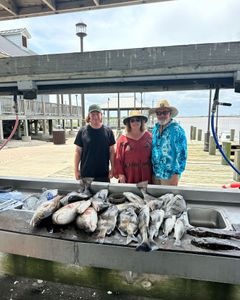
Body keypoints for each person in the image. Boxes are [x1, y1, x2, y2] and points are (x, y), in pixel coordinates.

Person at [149, 99, 187, 186]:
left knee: (168, 199)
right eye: (159, 113)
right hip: (156, 173)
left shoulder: (177, 130)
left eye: (165, 112)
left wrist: (176, 174)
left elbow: (182, 154)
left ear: (170, 113)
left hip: (170, 176)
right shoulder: (155, 129)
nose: (161, 115)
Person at [74, 104, 115, 182]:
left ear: (101, 115)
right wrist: (76, 170)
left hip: (103, 174)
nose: (95, 116)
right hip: (86, 174)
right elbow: (78, 152)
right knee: (85, 194)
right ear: (89, 115)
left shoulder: (108, 131)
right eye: (93, 114)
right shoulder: (82, 131)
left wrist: (113, 168)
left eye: (97, 114)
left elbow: (112, 152)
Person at [114, 110, 152, 183]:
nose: (135, 122)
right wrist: (121, 174)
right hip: (129, 174)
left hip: (146, 174)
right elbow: (118, 159)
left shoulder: (149, 137)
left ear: (142, 122)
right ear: (129, 123)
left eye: (138, 120)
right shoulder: (122, 139)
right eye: (132, 121)